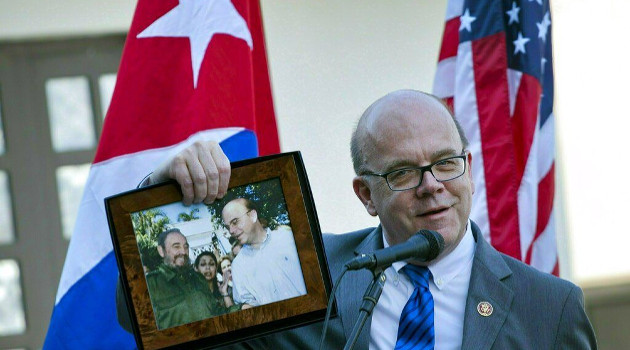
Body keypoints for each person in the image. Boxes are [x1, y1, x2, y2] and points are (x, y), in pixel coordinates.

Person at [119, 90, 596, 349]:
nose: (432, 185)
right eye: (404, 172)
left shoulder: (550, 309)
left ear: (468, 170)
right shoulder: (316, 271)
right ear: (366, 194)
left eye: (447, 163)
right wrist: (159, 189)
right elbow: (144, 321)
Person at [221, 197, 307, 308]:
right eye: (228, 227)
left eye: (235, 222)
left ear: (252, 215)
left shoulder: (289, 239)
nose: (231, 231)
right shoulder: (238, 267)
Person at [144, 228, 222, 330]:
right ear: (161, 251)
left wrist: (241, 308)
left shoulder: (198, 278)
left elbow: (216, 311)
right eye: (176, 247)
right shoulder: (151, 284)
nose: (183, 252)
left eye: (186, 247)